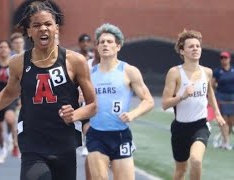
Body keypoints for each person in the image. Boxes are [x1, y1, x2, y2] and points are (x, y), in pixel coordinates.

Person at [0, 1, 97, 180]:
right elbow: (9, 93)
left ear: (56, 28)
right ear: (29, 31)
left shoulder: (75, 61)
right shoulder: (18, 62)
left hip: (64, 143)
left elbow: (93, 105)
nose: (43, 29)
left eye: (48, 24)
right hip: (33, 142)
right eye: (37, 25)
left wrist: (75, 115)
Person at [86, 23, 154, 180]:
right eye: (101, 42)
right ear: (97, 47)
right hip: (96, 134)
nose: (105, 45)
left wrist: (133, 114)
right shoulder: (89, 74)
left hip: (121, 135)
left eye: (109, 42)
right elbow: (77, 100)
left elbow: (148, 101)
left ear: (118, 46)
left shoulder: (129, 71)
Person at [162, 29, 226, 180]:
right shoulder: (175, 73)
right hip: (180, 128)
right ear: (182, 51)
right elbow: (165, 104)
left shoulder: (207, 72)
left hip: (200, 125)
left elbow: (209, 92)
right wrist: (182, 96)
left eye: (198, 46)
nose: (195, 49)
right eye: (191, 46)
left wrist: (217, 113)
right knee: (180, 171)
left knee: (196, 160)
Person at [212, 51, 234, 150]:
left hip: (232, 98)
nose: (224, 60)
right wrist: (212, 97)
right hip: (221, 98)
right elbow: (212, 85)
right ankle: (226, 142)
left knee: (231, 122)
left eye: (225, 58)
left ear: (229, 59)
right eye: (222, 58)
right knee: (224, 120)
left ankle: (223, 137)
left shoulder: (233, 70)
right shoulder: (217, 71)